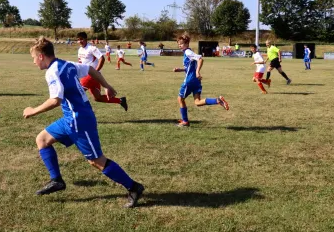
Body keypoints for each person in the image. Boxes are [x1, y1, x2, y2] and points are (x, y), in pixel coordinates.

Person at [23, 37, 144, 207]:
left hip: (79, 120)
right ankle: (57, 180)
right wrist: (106, 86)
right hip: (69, 118)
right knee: (42, 140)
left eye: (34, 58)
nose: (34, 62)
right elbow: (90, 70)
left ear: (41, 56)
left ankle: (134, 187)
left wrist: (32, 111)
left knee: (96, 161)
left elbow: (55, 100)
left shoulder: (52, 72)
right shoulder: (67, 64)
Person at [173, 34, 229, 127]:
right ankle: (218, 100)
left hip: (190, 81)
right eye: (179, 44)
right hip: (196, 81)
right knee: (197, 102)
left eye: (181, 44)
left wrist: (197, 72)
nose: (180, 46)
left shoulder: (187, 52)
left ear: (187, 44)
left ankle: (185, 121)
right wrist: (180, 69)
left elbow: (200, 59)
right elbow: (190, 67)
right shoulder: (188, 52)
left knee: (180, 99)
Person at [77, 32, 127, 111]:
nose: (80, 41)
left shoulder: (92, 48)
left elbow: (102, 58)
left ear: (86, 39)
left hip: (91, 75)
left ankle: (81, 114)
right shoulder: (80, 49)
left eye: (81, 39)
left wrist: (95, 72)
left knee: (77, 93)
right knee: (98, 98)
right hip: (88, 76)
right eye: (78, 40)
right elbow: (80, 62)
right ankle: (120, 100)